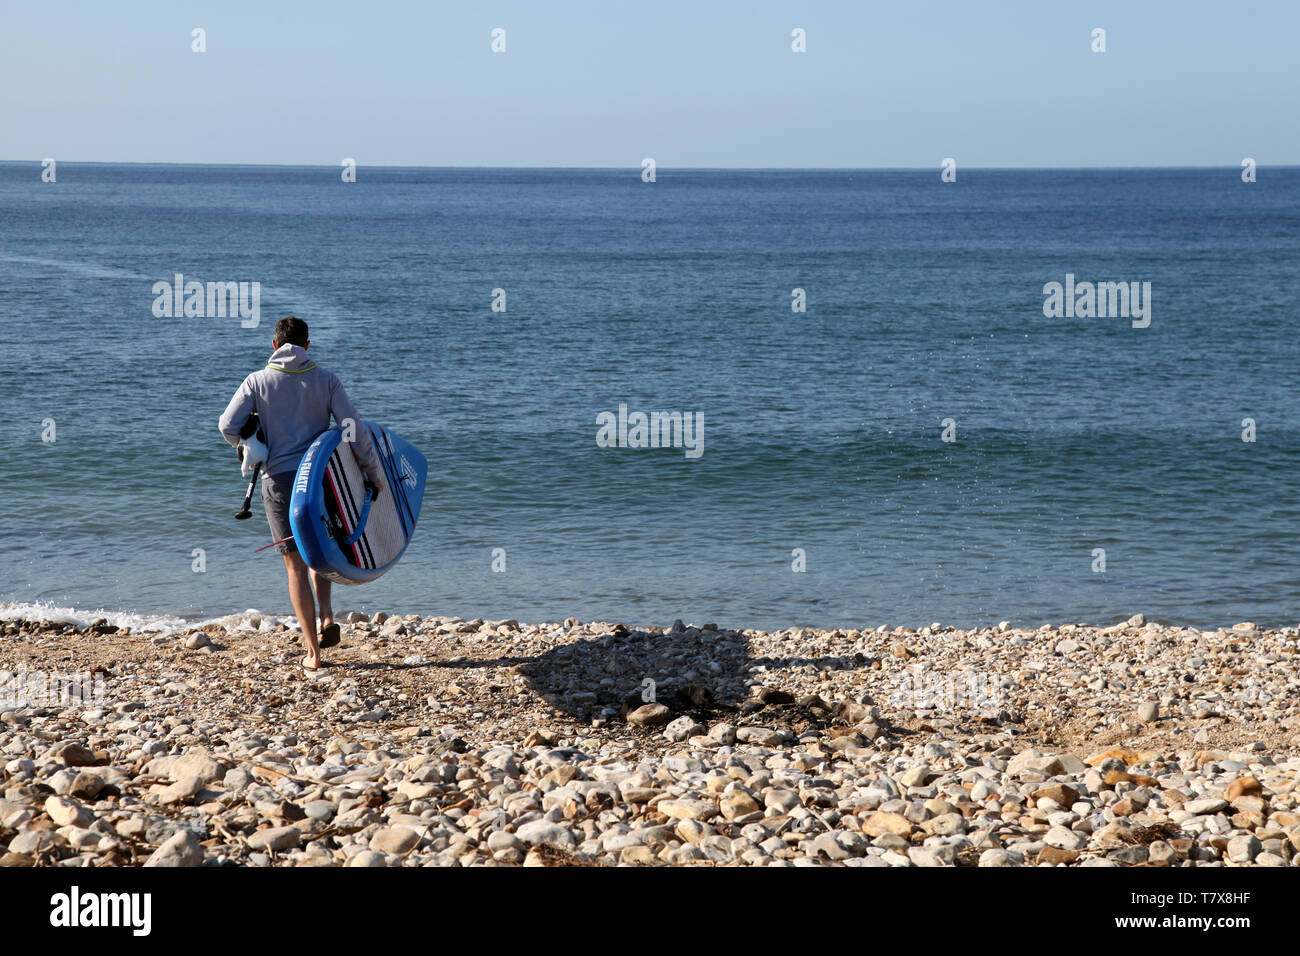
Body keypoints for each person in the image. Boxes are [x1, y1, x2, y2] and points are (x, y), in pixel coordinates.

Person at [218, 316, 386, 670]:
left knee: (294, 565)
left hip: (278, 481)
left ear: (274, 345)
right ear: (308, 346)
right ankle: (327, 617)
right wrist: (373, 474)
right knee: (321, 550)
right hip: (321, 478)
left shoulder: (257, 381)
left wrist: (249, 441)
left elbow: (226, 425)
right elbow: (353, 430)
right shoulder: (327, 380)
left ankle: (313, 653)